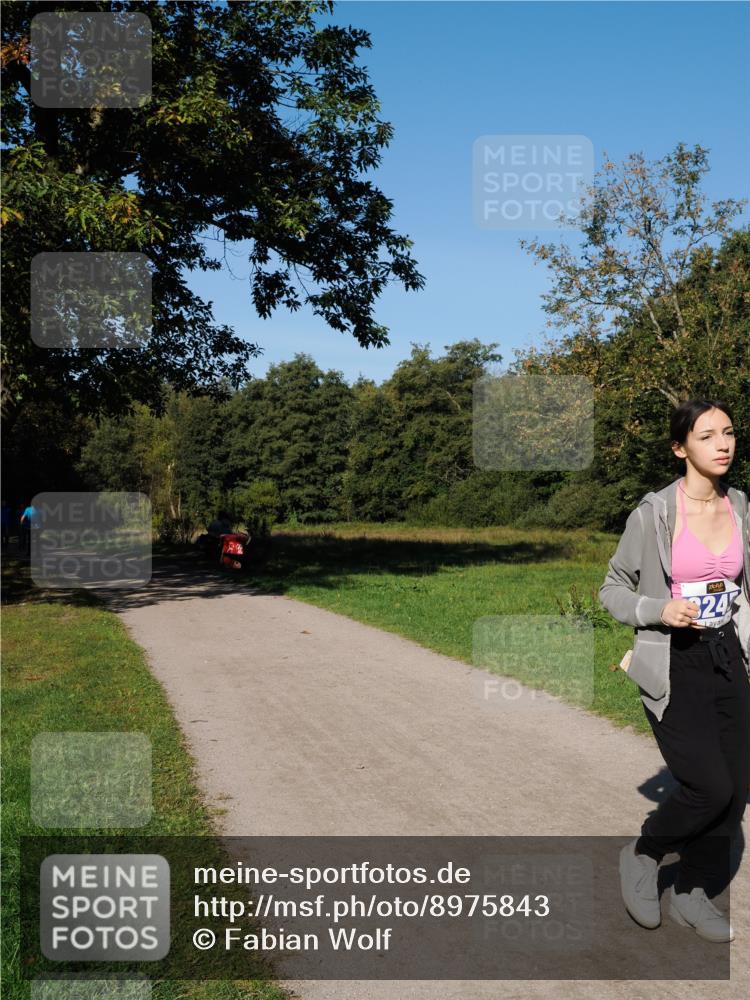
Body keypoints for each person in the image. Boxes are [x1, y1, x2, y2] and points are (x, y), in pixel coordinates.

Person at [599, 398, 749, 944]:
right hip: (673, 659)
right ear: (680, 448)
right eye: (706, 436)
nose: (723, 444)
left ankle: (692, 893)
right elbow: (611, 588)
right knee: (709, 786)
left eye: (728, 432)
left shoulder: (741, 507)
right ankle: (645, 852)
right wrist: (657, 609)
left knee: (736, 790)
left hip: (729, 655)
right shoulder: (654, 514)